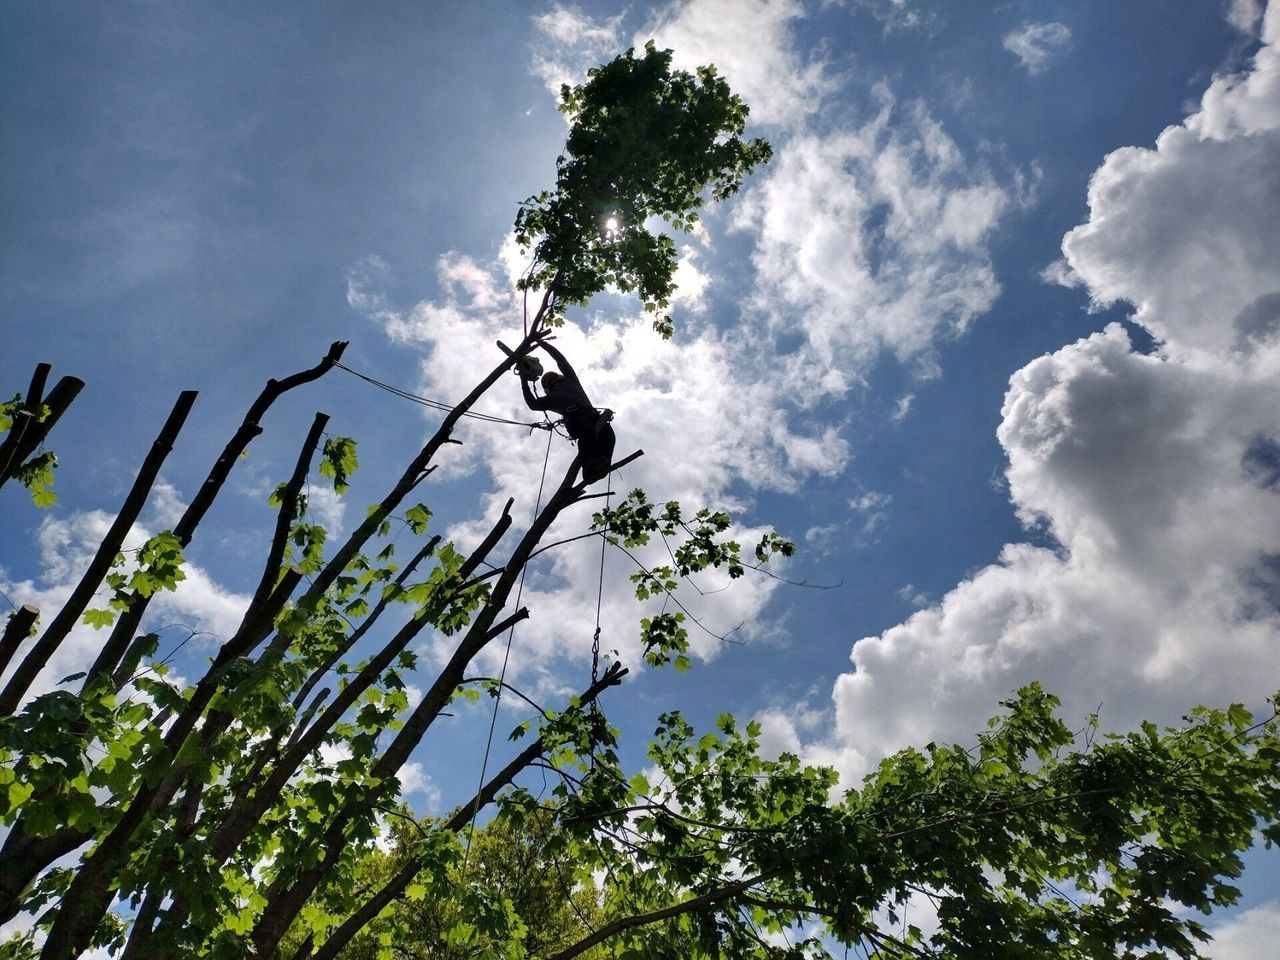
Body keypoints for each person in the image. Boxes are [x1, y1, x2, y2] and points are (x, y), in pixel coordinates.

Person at [519, 341, 616, 483]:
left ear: (559, 377)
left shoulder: (571, 381)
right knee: (586, 432)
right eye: (547, 381)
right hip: (576, 419)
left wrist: (543, 344)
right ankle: (590, 465)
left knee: (608, 434)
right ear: (547, 388)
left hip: (593, 415)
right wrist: (523, 380)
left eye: (552, 377)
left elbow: (561, 360)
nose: (551, 380)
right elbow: (532, 404)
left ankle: (602, 462)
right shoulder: (550, 399)